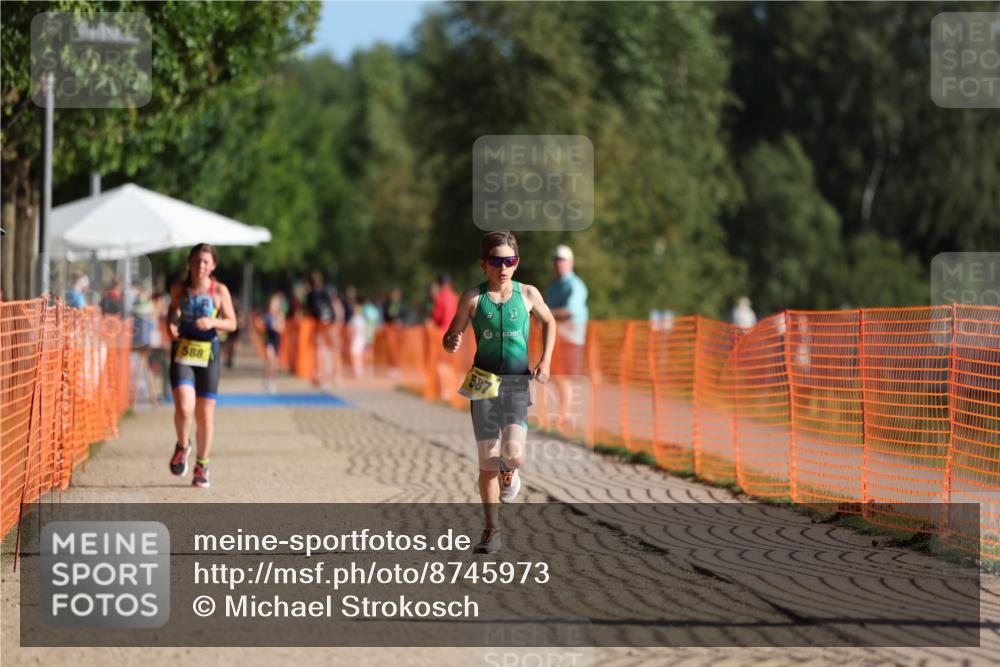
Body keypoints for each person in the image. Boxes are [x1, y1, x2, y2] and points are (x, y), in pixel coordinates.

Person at [443, 231, 556, 554]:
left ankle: (510, 470)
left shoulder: (528, 293)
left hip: (516, 383)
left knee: (514, 454)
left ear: (517, 263)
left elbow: (550, 323)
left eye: (509, 260)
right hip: (483, 383)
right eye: (496, 261)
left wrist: (545, 361)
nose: (503, 267)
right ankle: (492, 530)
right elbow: (451, 336)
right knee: (487, 463)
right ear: (484, 264)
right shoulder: (473, 298)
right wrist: (451, 341)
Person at [166, 243, 237, 489]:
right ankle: (182, 445)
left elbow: (232, 323)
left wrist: (212, 321)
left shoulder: (219, 290)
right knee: (184, 407)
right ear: (189, 263)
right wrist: (170, 324)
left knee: (204, 415)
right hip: (183, 352)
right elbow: (173, 311)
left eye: (206, 262)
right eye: (197, 261)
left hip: (208, 355)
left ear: (213, 265)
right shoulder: (179, 288)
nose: (201, 266)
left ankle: (202, 465)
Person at [544, 245, 589, 431]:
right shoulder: (553, 286)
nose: (559, 264)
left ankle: (564, 417)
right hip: (556, 339)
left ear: (571, 263)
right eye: (557, 260)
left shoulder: (575, 285)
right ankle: (565, 415)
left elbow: (570, 311)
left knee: (564, 378)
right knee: (556, 377)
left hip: (571, 338)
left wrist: (545, 314)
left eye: (563, 260)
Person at [305, 272, 342, 387]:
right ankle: (336, 376)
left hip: (320, 323)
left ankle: (322, 375)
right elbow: (334, 305)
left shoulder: (311, 294)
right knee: (333, 348)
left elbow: (309, 311)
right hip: (330, 322)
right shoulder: (326, 291)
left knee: (320, 348)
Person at [431, 274, 460, 401]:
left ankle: (444, 391)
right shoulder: (455, 296)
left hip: (442, 333)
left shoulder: (439, 297)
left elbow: (437, 316)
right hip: (456, 333)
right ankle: (453, 389)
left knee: (442, 363)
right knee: (451, 364)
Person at [262, 292, 286, 394]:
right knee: (270, 358)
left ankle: (271, 380)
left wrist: (276, 327)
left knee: (274, 363)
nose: (273, 306)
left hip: (276, 340)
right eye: (272, 304)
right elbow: (262, 327)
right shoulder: (267, 316)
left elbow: (282, 329)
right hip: (269, 340)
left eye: (275, 304)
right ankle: (267, 378)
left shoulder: (280, 316)